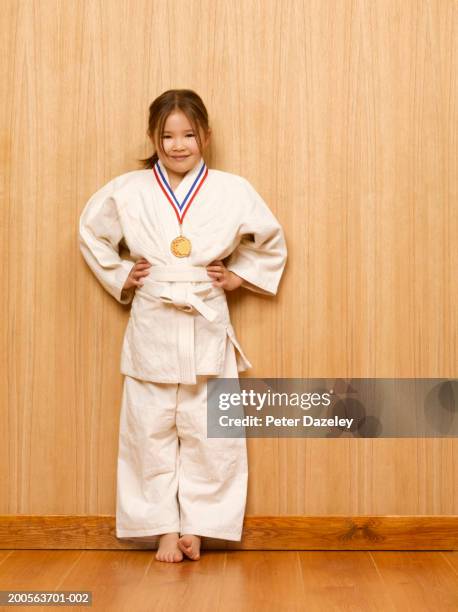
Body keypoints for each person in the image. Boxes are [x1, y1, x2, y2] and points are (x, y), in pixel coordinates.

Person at [78, 89, 287, 563]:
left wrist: (240, 275)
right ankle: (160, 528)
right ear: (153, 137)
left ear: (205, 137)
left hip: (206, 314)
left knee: (211, 431)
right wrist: (119, 273)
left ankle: (200, 525)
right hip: (154, 315)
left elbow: (270, 240)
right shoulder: (128, 189)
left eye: (188, 134)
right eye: (167, 135)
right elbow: (91, 233)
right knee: (146, 429)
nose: (177, 145)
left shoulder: (233, 189)